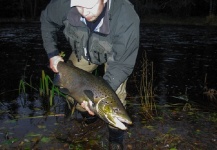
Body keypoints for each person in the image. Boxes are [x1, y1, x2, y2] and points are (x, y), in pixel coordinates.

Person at [40, 0, 139, 149]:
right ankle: (89, 116)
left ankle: (116, 138)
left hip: (116, 58)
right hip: (84, 51)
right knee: (68, 88)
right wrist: (53, 54)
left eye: (89, 6)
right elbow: (46, 20)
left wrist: (104, 90)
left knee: (116, 95)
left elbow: (122, 64)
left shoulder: (126, 16)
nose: (84, 12)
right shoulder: (64, 4)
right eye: (78, 6)